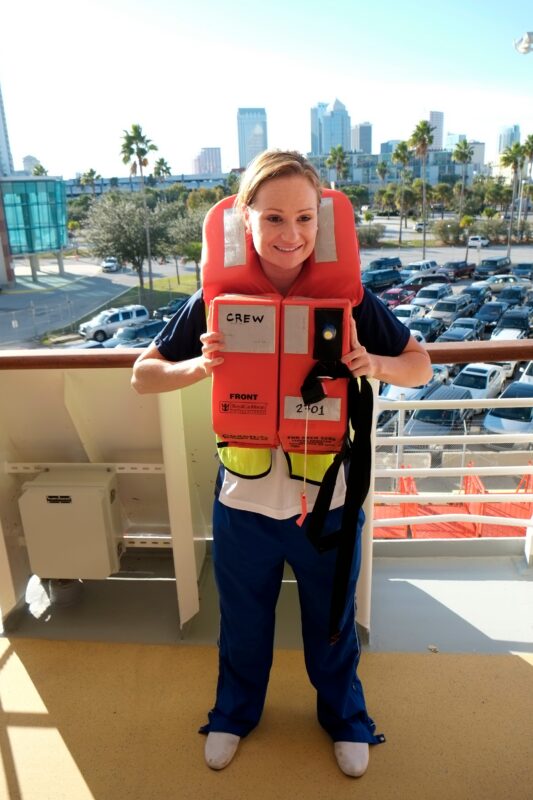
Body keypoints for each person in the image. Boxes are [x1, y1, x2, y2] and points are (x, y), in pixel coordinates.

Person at [132, 150, 432, 777]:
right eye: (272, 218)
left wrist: (371, 364)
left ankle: (346, 719)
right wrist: (198, 365)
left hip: (327, 500)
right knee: (242, 622)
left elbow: (419, 365)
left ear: (321, 219)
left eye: (303, 217)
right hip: (244, 502)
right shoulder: (214, 299)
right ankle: (233, 714)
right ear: (246, 220)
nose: (290, 235)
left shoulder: (350, 298)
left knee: (331, 623)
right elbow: (144, 375)